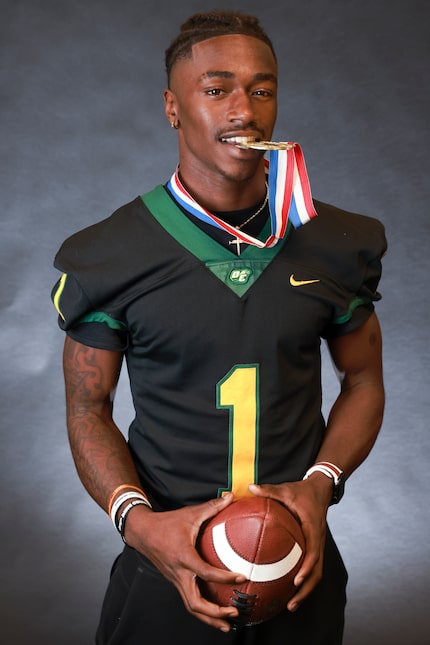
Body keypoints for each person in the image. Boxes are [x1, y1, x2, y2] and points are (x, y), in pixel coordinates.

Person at [51, 10, 386, 645]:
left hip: (298, 564)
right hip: (165, 567)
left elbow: (364, 379)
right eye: (217, 89)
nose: (244, 109)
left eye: (263, 89)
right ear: (173, 107)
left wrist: (320, 487)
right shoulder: (110, 253)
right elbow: (86, 408)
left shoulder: (337, 243)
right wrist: (141, 525)